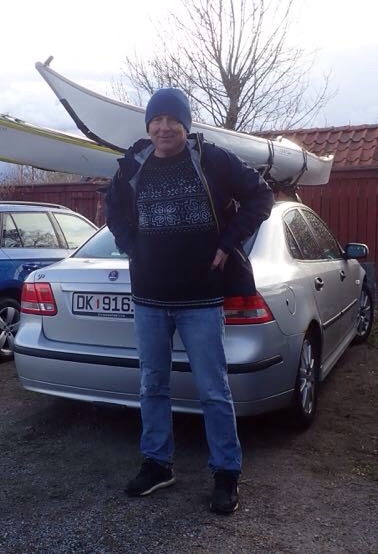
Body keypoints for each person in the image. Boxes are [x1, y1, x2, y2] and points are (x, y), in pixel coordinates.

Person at [105, 88, 273, 514]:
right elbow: (113, 209)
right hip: (149, 297)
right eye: (157, 120)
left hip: (201, 297)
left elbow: (261, 196)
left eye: (173, 121)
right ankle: (157, 464)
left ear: (186, 124)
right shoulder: (133, 164)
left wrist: (228, 243)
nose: (164, 128)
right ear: (148, 125)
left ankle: (226, 472)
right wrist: (131, 247)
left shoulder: (211, 159)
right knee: (152, 385)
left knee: (213, 389)